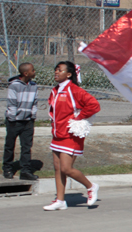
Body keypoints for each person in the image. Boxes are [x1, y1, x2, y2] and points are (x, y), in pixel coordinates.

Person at [43, 61, 101, 211]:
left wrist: (78, 118)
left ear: (69, 74)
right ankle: (60, 200)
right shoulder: (55, 90)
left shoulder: (74, 90)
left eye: (60, 70)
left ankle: (91, 186)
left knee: (66, 169)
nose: (56, 72)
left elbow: (94, 105)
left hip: (70, 135)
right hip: (57, 134)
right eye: (55, 70)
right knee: (58, 168)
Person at [3, 62, 39, 180]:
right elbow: (12, 103)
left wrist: (32, 116)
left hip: (28, 121)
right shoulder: (14, 86)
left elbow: (35, 102)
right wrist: (13, 119)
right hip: (14, 121)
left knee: (26, 147)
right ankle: (7, 168)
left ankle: (25, 171)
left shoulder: (33, 86)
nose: (34, 72)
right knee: (10, 145)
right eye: (33, 70)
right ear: (26, 73)